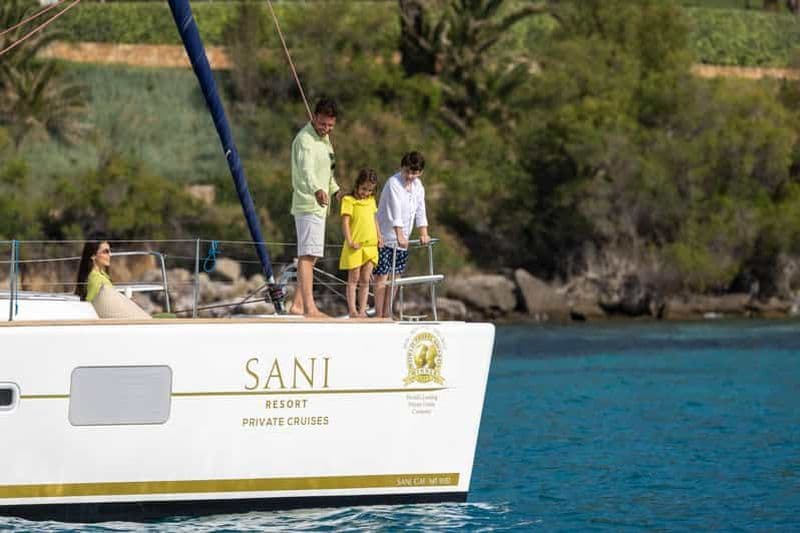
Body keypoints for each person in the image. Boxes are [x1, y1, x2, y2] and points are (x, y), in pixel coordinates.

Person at [290, 97, 342, 317]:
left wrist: (335, 190)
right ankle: (309, 308)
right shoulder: (305, 140)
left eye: (330, 125)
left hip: (321, 205)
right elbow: (307, 172)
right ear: (314, 116)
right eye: (323, 124)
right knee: (308, 254)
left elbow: (328, 170)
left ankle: (297, 305)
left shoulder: (325, 140)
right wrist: (317, 190)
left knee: (313, 255)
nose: (326, 129)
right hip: (308, 202)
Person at [373, 151, 431, 318]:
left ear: (420, 172)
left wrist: (423, 233)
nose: (410, 176)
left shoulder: (419, 187)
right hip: (385, 237)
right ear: (402, 168)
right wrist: (399, 235)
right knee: (382, 275)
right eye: (407, 172)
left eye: (414, 173)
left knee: (396, 275)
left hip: (402, 240)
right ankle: (379, 314)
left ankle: (388, 312)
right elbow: (394, 211)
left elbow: (421, 210)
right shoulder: (393, 183)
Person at [339, 168, 381, 318]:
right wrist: (350, 241)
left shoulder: (371, 201)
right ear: (357, 185)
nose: (366, 193)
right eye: (364, 189)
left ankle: (362, 310)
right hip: (355, 246)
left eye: (370, 190)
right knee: (353, 279)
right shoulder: (348, 200)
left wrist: (379, 237)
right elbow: (345, 222)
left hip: (370, 246)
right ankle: (352, 310)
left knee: (365, 279)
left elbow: (374, 220)